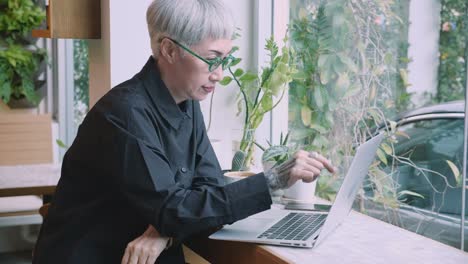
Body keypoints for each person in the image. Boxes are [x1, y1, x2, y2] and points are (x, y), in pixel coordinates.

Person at [33, 0, 335, 263]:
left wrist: (164, 231)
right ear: (169, 50)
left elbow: (207, 187)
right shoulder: (125, 115)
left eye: (225, 59)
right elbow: (176, 209)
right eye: (211, 59)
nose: (219, 74)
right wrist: (271, 180)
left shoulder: (186, 100)